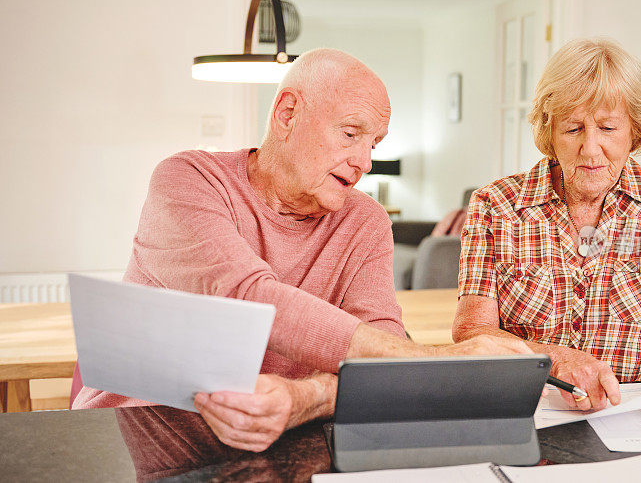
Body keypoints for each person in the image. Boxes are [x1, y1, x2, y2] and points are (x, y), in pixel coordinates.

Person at [72, 48, 530, 481]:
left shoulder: (365, 221)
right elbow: (248, 297)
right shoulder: (188, 179)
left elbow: (383, 359)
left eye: (374, 143)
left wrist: (305, 398)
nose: (365, 161)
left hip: (282, 447)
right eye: (351, 134)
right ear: (287, 114)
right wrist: (438, 361)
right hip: (135, 441)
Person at [453, 38, 641, 418]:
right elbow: (472, 335)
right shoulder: (495, 205)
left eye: (608, 127)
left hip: (640, 424)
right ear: (549, 132)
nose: (591, 148)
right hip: (529, 415)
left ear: (635, 130)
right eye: (573, 129)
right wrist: (553, 358)